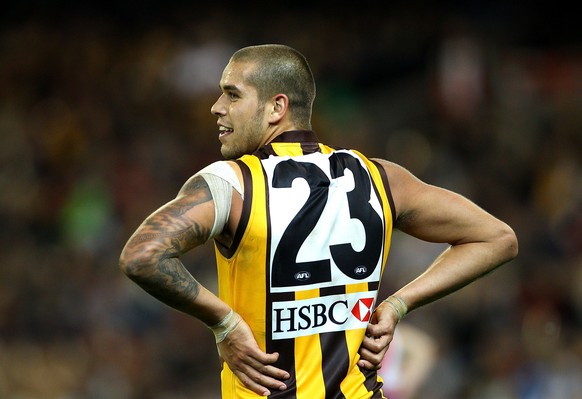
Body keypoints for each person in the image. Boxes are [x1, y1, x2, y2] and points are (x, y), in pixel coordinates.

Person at [119, 44, 518, 398]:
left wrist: (224, 323)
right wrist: (397, 305)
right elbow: (497, 238)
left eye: (232, 94)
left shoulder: (232, 183)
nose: (216, 107)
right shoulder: (378, 177)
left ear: (277, 107)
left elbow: (141, 256)